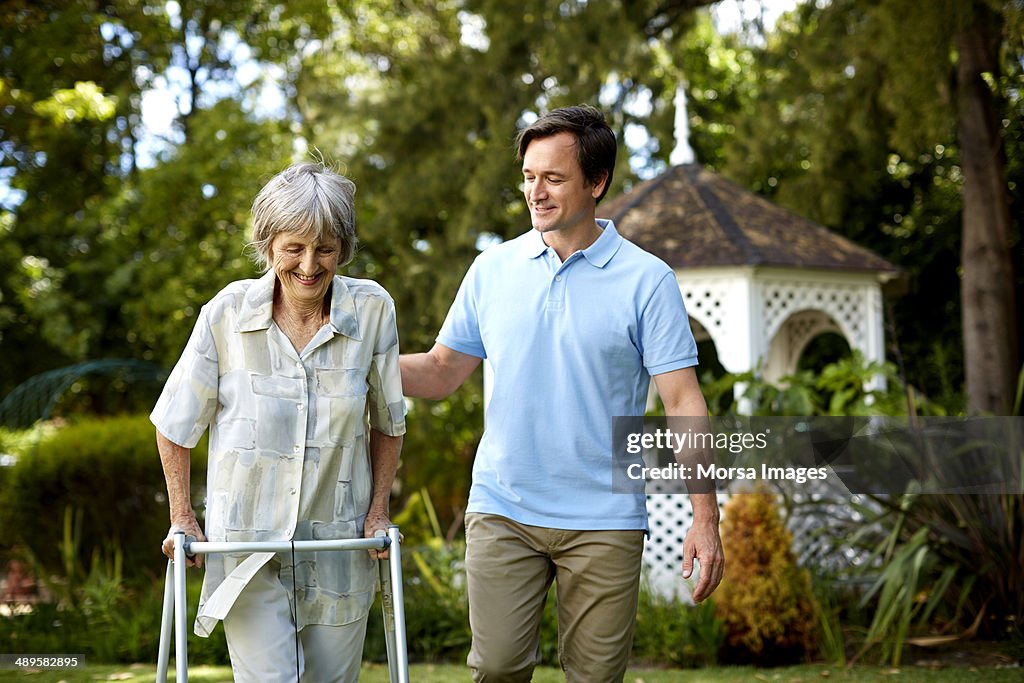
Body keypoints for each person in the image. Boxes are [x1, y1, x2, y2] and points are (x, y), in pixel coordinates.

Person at [400, 105, 725, 682]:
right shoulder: (491, 270)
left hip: (604, 516)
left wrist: (705, 517)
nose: (536, 192)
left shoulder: (647, 280)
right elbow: (442, 370)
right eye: (529, 176)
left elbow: (682, 402)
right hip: (504, 508)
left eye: (553, 178)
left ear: (596, 183)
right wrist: (357, 363)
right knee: (497, 668)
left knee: (595, 679)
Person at [151, 162, 406, 683]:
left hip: (338, 544)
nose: (309, 265)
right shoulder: (226, 314)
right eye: (294, 248)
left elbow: (388, 421)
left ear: (344, 248)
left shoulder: (373, 310)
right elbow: (175, 421)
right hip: (247, 549)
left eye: (326, 249)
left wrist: (378, 509)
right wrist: (182, 515)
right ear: (268, 245)